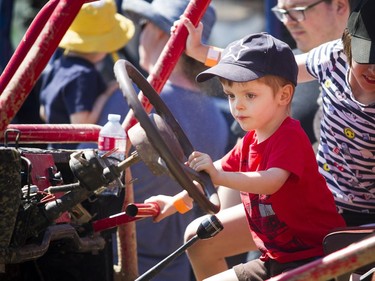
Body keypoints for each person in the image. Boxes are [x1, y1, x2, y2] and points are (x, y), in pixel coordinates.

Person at [146, 32, 346, 281]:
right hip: (275, 259)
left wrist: (220, 175)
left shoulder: (289, 136)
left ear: (284, 96)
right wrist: (176, 202)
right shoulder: (251, 140)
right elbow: (211, 175)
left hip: (315, 260)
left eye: (249, 96)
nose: (237, 105)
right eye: (231, 95)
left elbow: (271, 181)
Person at [87, 1, 229, 280]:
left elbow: (83, 170)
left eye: (144, 25)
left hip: (112, 262)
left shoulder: (130, 103)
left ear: (164, 34)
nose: (139, 35)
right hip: (173, 266)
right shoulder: (217, 117)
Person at [39, 0, 135, 150]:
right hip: (72, 159)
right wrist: (106, 94)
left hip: (53, 151)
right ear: (102, 46)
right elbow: (81, 124)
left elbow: (44, 112)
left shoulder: (57, 66)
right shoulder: (84, 75)